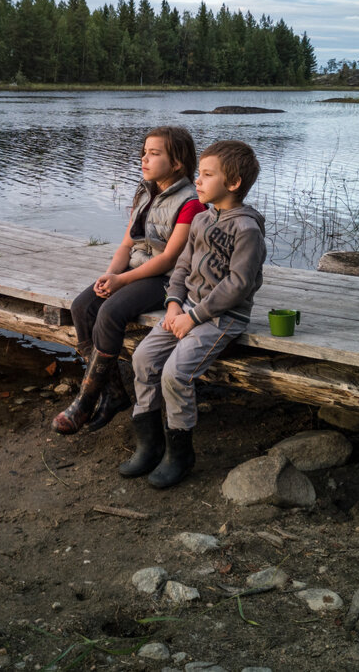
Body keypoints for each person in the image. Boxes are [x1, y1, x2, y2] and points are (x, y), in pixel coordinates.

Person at [119, 140, 266, 488]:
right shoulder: (201, 218)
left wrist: (193, 316)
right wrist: (173, 304)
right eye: (199, 173)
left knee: (175, 373)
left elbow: (238, 286)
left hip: (222, 317)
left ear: (232, 184)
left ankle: (180, 453)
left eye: (207, 175)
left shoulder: (247, 230)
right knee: (143, 358)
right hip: (185, 310)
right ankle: (150, 444)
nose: (197, 181)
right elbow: (183, 266)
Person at [52, 126, 206, 435]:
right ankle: (115, 393)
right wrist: (112, 275)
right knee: (82, 306)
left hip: (167, 278)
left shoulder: (191, 202)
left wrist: (122, 283)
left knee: (110, 312)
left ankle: (86, 398)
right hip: (134, 271)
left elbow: (170, 259)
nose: (144, 159)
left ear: (177, 163)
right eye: (144, 153)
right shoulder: (145, 191)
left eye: (154, 154)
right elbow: (126, 244)